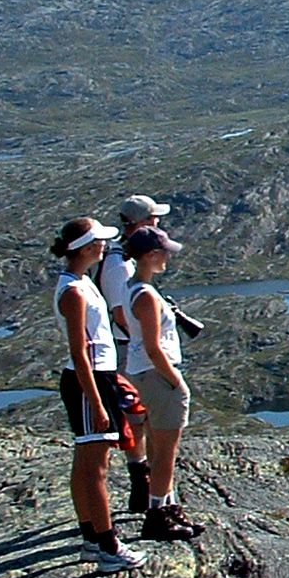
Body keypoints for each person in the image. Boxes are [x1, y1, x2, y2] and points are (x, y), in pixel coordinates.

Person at [50, 216, 147, 573]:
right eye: (99, 241)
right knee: (97, 469)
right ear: (85, 247)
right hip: (87, 380)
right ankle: (108, 545)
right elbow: (79, 352)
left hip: (96, 377)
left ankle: (91, 538)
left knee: (85, 461)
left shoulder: (80, 283)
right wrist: (95, 399)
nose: (105, 245)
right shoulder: (74, 292)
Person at [122, 225, 204, 542]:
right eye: (164, 252)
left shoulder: (135, 288)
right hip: (157, 376)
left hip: (145, 374)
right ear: (153, 256)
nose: (168, 257)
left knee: (159, 447)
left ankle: (169, 509)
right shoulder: (144, 295)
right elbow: (154, 347)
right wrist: (176, 382)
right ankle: (158, 516)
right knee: (165, 452)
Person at [98, 194, 169, 513]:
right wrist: (149, 348)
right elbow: (122, 314)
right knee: (139, 416)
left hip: (134, 349)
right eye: (153, 219)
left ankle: (150, 486)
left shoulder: (126, 259)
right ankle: (145, 486)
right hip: (129, 351)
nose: (158, 224)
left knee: (144, 415)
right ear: (139, 223)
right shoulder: (117, 265)